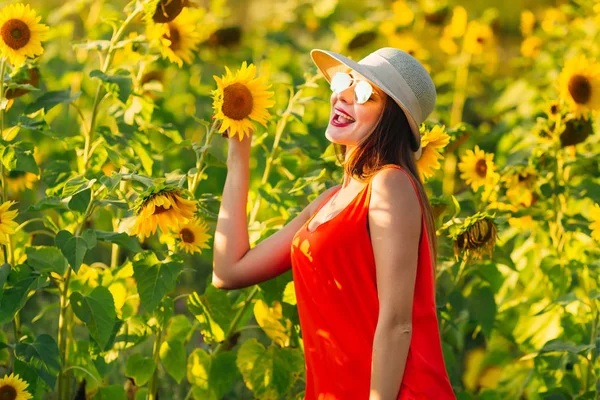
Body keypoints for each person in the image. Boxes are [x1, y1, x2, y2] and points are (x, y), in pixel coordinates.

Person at [212, 47, 456, 400]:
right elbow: (228, 271)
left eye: (362, 93)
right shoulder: (328, 201)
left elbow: (398, 323)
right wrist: (239, 155)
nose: (341, 94)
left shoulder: (390, 184)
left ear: (391, 118)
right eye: (344, 82)